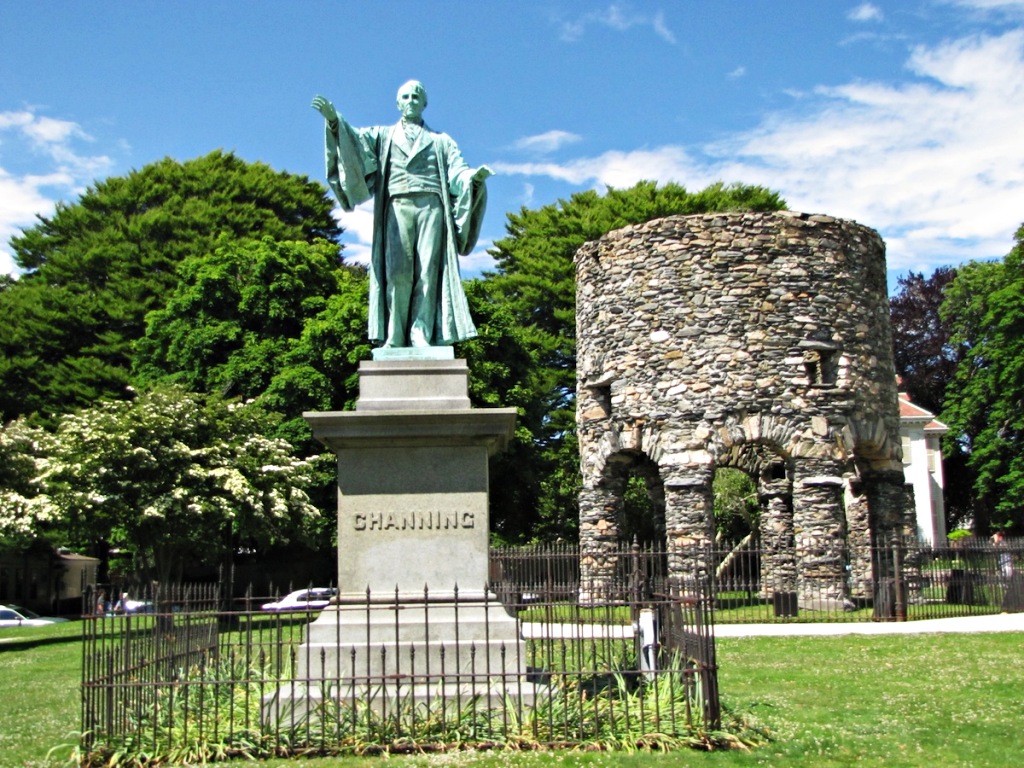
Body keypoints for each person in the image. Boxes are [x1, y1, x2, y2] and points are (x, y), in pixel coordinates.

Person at [312, 81, 491, 349]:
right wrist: (335, 121)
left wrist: (473, 179)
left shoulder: (441, 140)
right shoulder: (382, 136)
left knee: (428, 272)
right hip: (397, 206)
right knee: (397, 273)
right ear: (398, 103)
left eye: (416, 96)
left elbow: (458, 171)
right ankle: (394, 334)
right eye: (405, 96)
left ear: (424, 103)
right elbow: (355, 144)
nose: (411, 100)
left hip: (432, 206)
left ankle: (420, 332)